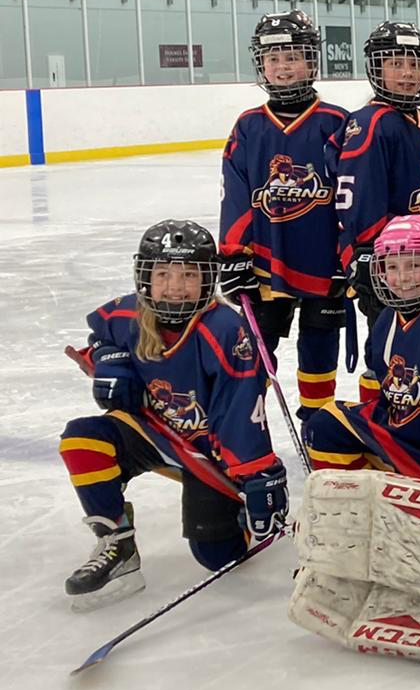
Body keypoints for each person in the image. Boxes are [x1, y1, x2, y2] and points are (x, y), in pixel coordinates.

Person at [57, 221, 286, 610]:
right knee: (82, 439)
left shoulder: (225, 329)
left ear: (208, 279)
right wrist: (109, 360)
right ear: (145, 277)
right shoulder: (126, 314)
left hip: (208, 453)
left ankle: (237, 516)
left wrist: (257, 472)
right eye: (163, 274)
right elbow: (103, 338)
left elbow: (240, 405)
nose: (175, 286)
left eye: (189, 275)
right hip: (153, 432)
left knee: (219, 556)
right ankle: (117, 543)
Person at [218, 10, 350, 421]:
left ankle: (318, 419)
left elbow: (352, 195)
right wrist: (234, 254)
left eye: (292, 57)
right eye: (273, 58)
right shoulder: (249, 126)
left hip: (323, 259)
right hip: (265, 260)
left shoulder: (337, 122)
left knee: (320, 342)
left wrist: (349, 251)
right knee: (256, 348)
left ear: (312, 61)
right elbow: (235, 195)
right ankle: (246, 422)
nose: (283, 67)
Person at [302, 214, 420, 483]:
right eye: (391, 267)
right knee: (326, 423)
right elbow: (388, 396)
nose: (403, 278)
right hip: (401, 439)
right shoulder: (388, 318)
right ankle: (356, 499)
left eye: (415, 265)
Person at [337, 21, 420, 333]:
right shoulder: (370, 123)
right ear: (377, 69)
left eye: (415, 65)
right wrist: (368, 252)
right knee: (391, 345)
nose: (407, 73)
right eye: (395, 64)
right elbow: (360, 200)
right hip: (393, 260)